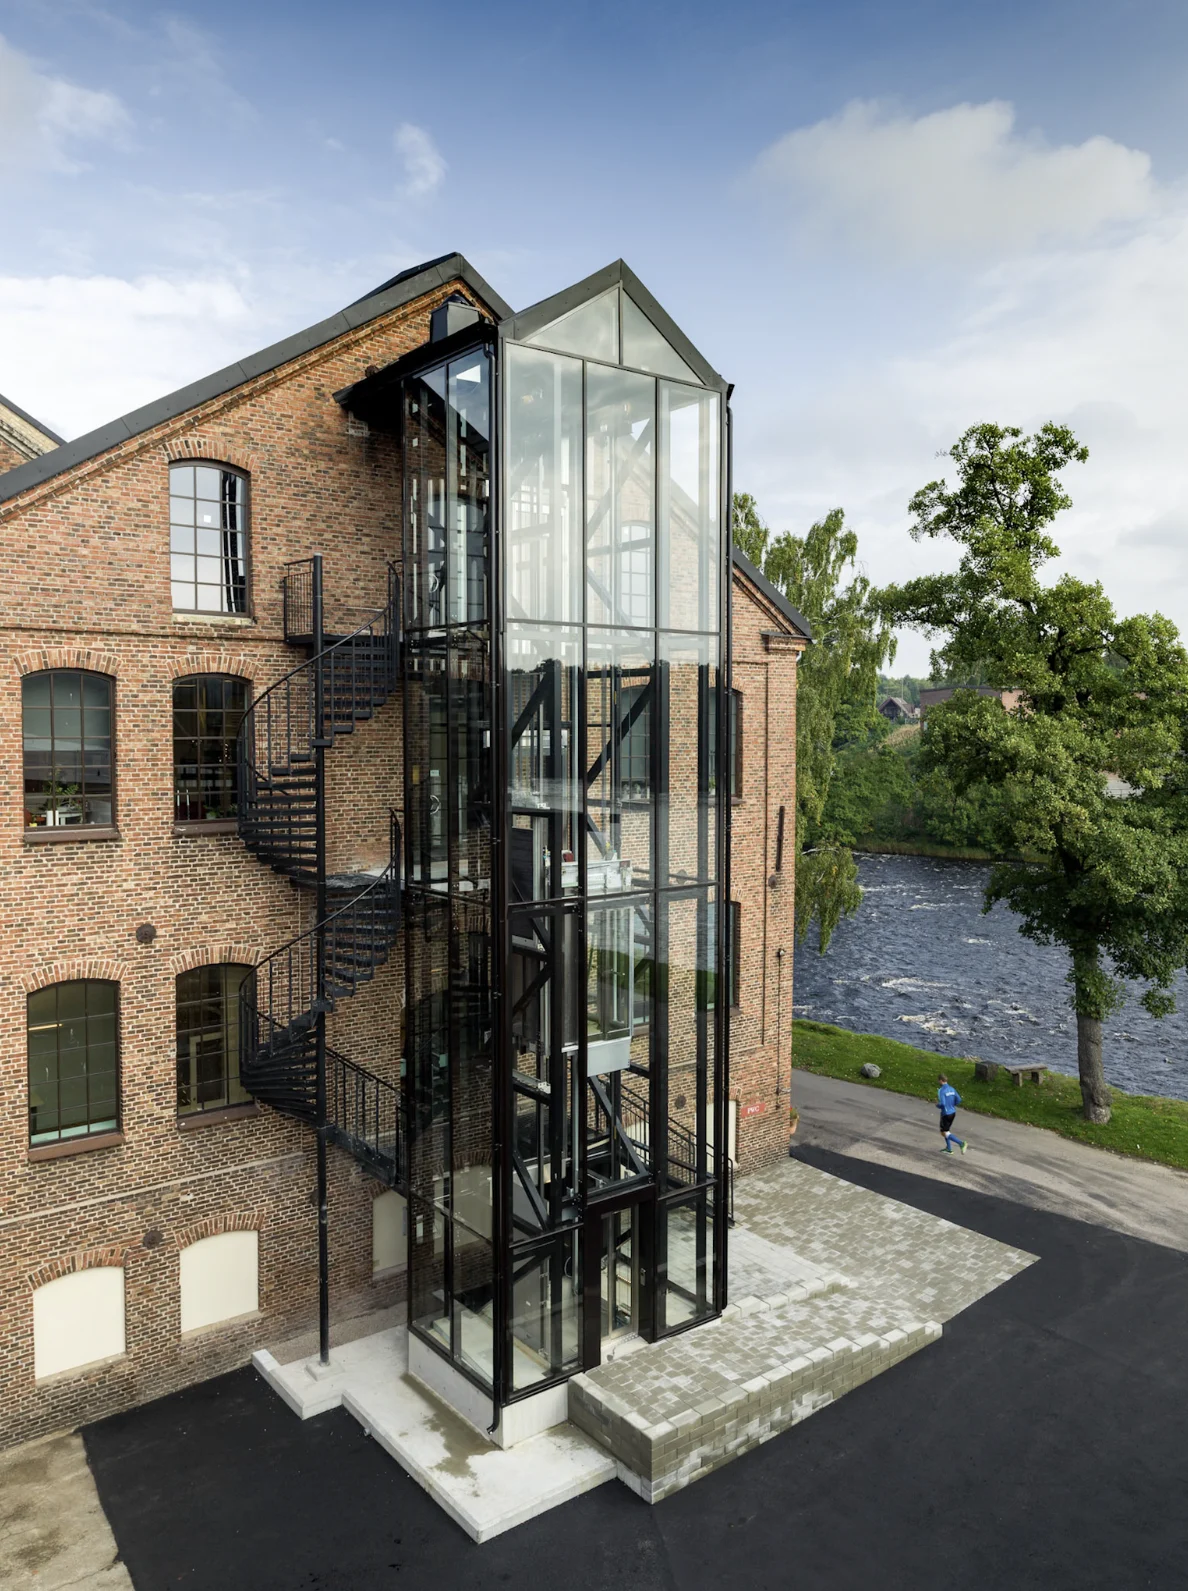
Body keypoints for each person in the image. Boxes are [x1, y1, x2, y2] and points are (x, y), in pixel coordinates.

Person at [936, 1074, 968, 1154]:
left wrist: (937, 1105)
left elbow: (943, 1104)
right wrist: (952, 1105)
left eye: (938, 1080)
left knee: (944, 1132)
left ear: (941, 1080)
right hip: (952, 1112)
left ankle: (961, 1143)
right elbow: (959, 1099)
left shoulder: (942, 1090)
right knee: (946, 1131)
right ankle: (949, 1148)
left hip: (945, 1113)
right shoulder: (952, 1089)